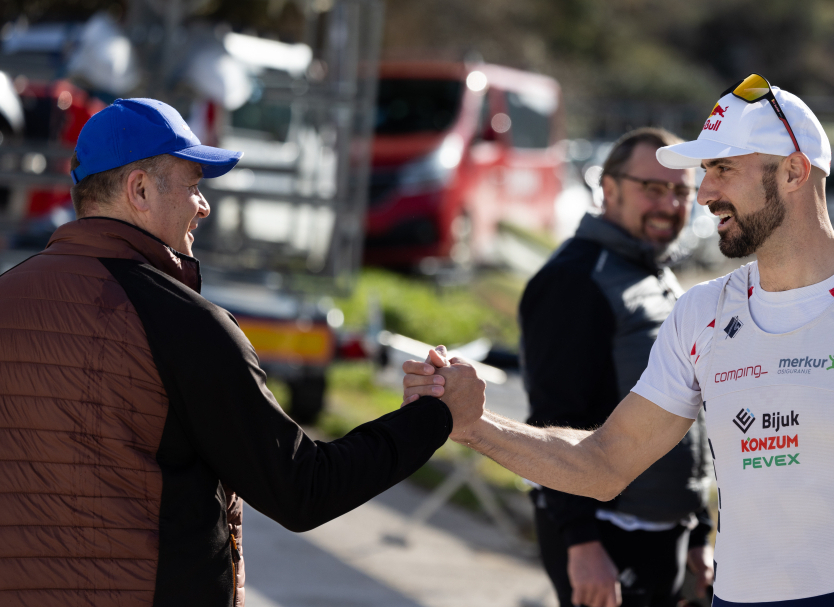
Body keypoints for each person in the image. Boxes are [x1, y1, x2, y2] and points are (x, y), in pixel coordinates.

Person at [404, 75, 834, 606]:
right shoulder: (702, 313)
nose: (702, 193)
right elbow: (603, 465)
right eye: (705, 171)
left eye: (723, 169)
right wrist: (476, 425)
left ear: (792, 171)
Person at [0, 98, 479, 606]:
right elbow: (303, 489)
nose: (202, 206)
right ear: (138, 189)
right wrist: (436, 416)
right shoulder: (184, 324)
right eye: (193, 186)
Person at [520, 127, 713, 607]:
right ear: (608, 188)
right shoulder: (574, 280)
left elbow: (684, 409)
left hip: (663, 529)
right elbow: (552, 419)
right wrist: (580, 542)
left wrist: (698, 530)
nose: (669, 205)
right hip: (606, 533)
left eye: (681, 191)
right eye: (653, 188)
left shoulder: (653, 273)